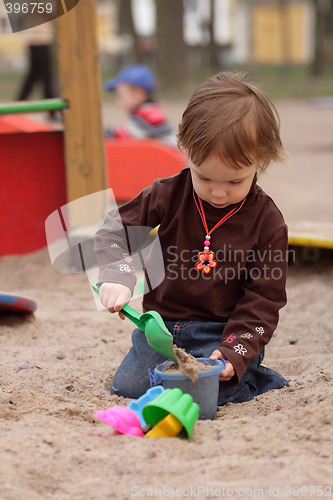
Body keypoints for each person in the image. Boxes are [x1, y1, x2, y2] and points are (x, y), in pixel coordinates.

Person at [94, 71, 289, 405]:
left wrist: (232, 352)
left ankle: (250, 374)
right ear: (183, 148)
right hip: (161, 330)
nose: (217, 191)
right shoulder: (166, 195)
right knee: (129, 387)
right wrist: (119, 275)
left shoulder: (267, 221)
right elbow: (113, 232)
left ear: (260, 159)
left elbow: (264, 300)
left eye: (234, 181)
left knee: (212, 387)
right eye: (204, 176)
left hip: (223, 330)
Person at [104, 64, 177, 147]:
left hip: (167, 158)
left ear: (137, 95)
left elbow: (130, 134)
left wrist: (108, 135)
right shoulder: (148, 112)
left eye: (120, 95)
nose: (117, 101)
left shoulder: (149, 114)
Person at [16, 21, 58, 120]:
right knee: (44, 78)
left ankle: (19, 103)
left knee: (35, 77)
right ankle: (51, 110)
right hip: (38, 42)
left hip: (40, 42)